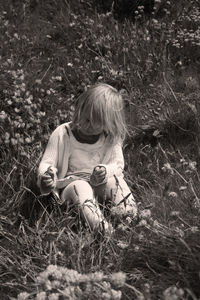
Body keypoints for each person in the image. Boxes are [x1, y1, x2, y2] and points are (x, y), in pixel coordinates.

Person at [37, 83, 137, 234]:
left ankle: (129, 216)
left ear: (108, 124)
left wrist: (105, 170)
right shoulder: (63, 133)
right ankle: (101, 228)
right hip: (71, 185)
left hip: (100, 183)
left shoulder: (111, 137)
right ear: (80, 108)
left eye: (97, 123)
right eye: (86, 118)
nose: (87, 125)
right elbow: (47, 162)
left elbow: (117, 164)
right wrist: (47, 175)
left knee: (116, 182)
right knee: (81, 187)